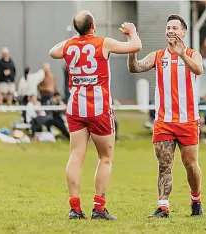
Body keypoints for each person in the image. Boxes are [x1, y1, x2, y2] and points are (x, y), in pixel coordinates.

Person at [49, 10, 142, 220]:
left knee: (75, 157)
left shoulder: (69, 45)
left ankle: (74, 208)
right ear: (93, 26)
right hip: (98, 108)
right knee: (106, 158)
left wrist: (76, 38)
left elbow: (52, 51)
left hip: (75, 108)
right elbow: (135, 46)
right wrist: (132, 32)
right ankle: (99, 208)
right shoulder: (103, 42)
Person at [127, 14, 203, 218]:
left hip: (188, 120)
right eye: (168, 27)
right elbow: (135, 68)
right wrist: (132, 49)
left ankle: (196, 200)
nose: (170, 31)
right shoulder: (157, 56)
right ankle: (163, 207)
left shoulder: (193, 54)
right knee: (164, 165)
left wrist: (182, 55)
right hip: (164, 121)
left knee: (190, 165)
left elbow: (199, 69)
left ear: (183, 32)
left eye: (175, 28)